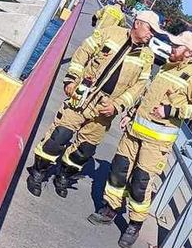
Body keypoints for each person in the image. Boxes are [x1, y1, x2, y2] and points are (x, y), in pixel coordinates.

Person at [90, 30, 192, 248]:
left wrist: (171, 110)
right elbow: (148, 96)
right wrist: (131, 114)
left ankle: (134, 224)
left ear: (188, 53)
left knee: (140, 183)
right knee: (118, 170)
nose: (172, 48)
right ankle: (111, 209)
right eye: (173, 44)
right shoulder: (166, 67)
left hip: (156, 143)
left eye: (177, 46)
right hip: (134, 132)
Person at [25, 11, 159, 198]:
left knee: (85, 149)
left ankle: (64, 175)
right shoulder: (111, 32)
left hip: (105, 109)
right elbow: (83, 52)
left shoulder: (147, 56)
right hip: (83, 96)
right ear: (137, 24)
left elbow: (139, 86)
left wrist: (117, 106)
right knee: (60, 135)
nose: (151, 34)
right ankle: (38, 171)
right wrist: (71, 80)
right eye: (150, 29)